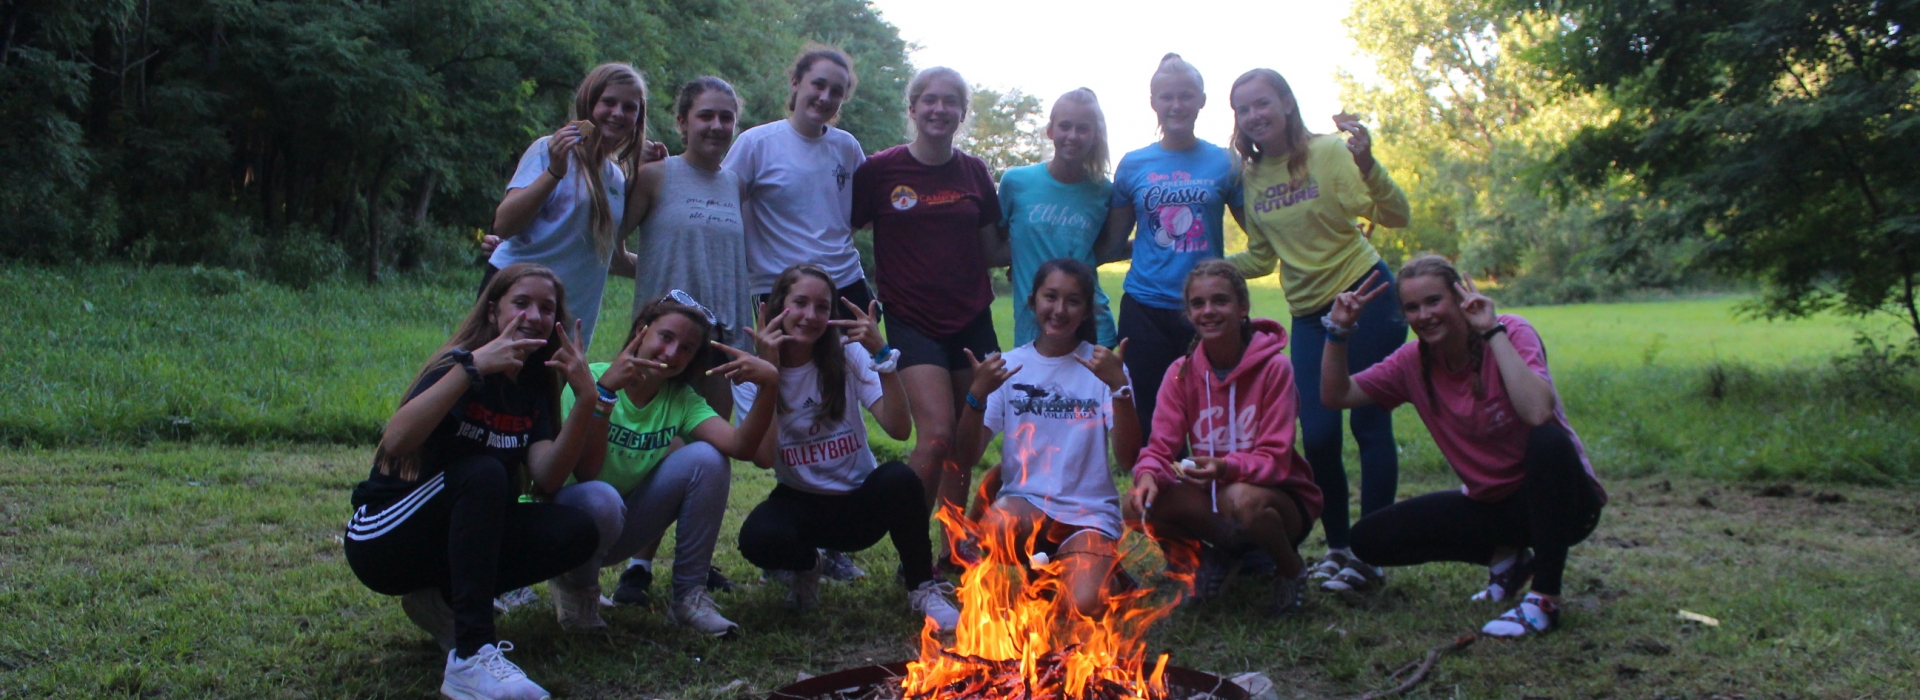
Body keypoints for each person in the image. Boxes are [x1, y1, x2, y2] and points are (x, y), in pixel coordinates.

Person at [343, 263, 601, 700]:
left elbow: (548, 475)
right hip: (382, 536)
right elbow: (397, 440)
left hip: (453, 534)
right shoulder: (457, 364)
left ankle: (442, 601)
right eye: (521, 303)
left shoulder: (534, 389)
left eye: (546, 307)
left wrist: (586, 400)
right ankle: (470, 655)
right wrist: (471, 368)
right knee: (483, 474)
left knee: (575, 530)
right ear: (493, 311)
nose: (534, 315)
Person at [1323, 256, 1606, 637]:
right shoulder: (1412, 362)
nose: (1424, 315)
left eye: (1434, 301)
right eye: (1412, 307)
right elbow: (1336, 395)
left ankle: (1544, 600)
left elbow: (1538, 412)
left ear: (1460, 299)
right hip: (1493, 506)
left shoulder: (1511, 332)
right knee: (1369, 540)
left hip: (1565, 504)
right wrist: (1338, 333)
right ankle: (1508, 558)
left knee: (1548, 441)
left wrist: (1492, 331)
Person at [1226, 68, 1413, 593]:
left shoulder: (1331, 153)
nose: (1253, 116)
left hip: (1365, 295)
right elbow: (1263, 256)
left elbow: (1396, 215)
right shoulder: (1252, 176)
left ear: (1286, 103)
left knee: (1369, 424)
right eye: (1242, 109)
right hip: (1309, 313)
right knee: (1321, 436)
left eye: (1262, 103)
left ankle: (1372, 556)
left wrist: (1369, 164)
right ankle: (1339, 545)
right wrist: (1202, 264)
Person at [534, 292, 781, 638]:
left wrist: (769, 382)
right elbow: (585, 472)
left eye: (687, 348)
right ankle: (577, 591)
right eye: (666, 337)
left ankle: (688, 598)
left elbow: (742, 447)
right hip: (564, 525)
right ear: (641, 331)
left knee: (708, 458)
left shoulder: (680, 400)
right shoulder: (589, 378)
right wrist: (604, 395)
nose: (671, 353)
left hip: (618, 523)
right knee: (601, 496)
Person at [733, 264, 962, 632]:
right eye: (800, 303)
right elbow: (762, 458)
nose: (810, 316)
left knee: (900, 477)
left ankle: (922, 588)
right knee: (758, 538)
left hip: (857, 503)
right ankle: (808, 567)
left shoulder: (845, 354)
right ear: (779, 306)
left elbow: (899, 429)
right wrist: (770, 377)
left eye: (822, 307)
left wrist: (883, 357)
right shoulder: (751, 372)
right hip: (799, 500)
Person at [850, 66, 1004, 560]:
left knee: (966, 441)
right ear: (912, 108)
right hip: (912, 320)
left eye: (950, 101)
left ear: (962, 113)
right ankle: (913, 552)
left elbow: (994, 249)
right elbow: (835, 231)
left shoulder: (974, 172)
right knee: (936, 436)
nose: (939, 109)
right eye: (929, 100)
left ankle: (953, 550)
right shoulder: (879, 171)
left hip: (972, 318)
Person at [1122, 260, 1322, 617]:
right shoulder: (1181, 372)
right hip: (1215, 501)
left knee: (1240, 498)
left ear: (1243, 307)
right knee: (1134, 505)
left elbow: (1275, 459)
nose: (1208, 311)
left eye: (1220, 301)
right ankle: (1208, 560)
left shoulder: (1275, 368)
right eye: (1198, 304)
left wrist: (1224, 466)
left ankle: (1291, 570)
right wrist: (1149, 475)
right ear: (1188, 312)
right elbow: (1159, 447)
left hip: (1276, 504)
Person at [951, 259, 1139, 617]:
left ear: (1086, 311)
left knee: (1084, 606)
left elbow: (1128, 459)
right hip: (1028, 504)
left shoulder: (1104, 367)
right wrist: (976, 396)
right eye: (1050, 297)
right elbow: (967, 455)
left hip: (1087, 514)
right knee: (993, 532)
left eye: (1073, 301)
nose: (1059, 310)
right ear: (1033, 300)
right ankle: (1049, 568)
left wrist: (1120, 388)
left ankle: (1100, 572)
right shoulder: (1008, 366)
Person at [1099, 53, 1245, 448]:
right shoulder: (1133, 165)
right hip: (1145, 306)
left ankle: (1209, 499)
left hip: (1206, 307)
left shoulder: (1226, 162)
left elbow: (1263, 229)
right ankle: (1157, 500)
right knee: (1150, 415)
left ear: (1201, 100)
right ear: (1153, 103)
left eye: (1185, 96)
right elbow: (1113, 242)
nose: (1176, 105)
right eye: (1167, 97)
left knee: (1210, 412)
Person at [484, 63, 665, 348]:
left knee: (548, 393)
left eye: (629, 107)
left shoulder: (616, 177)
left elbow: (612, 259)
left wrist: (674, 269)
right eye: (608, 102)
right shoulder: (549, 150)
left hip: (568, 319)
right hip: (518, 304)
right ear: (588, 103)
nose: (617, 113)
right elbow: (504, 224)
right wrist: (554, 172)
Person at [614, 76, 752, 419]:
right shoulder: (656, 175)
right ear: (682, 122)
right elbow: (603, 242)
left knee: (712, 446)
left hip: (721, 339)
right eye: (705, 116)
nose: (716, 126)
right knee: (648, 439)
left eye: (726, 118)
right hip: (663, 338)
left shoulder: (735, 184)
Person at [724, 44, 875, 316]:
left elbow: (864, 214)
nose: (825, 97)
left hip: (846, 282)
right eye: (818, 85)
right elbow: (721, 205)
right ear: (795, 83)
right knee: (788, 361)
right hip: (780, 287)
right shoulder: (757, 143)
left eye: (836, 92)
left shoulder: (847, 146)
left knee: (866, 360)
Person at [1000, 89, 1118, 348]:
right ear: (1051, 130)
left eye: (1083, 129)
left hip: (1093, 330)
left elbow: (1106, 248)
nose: (1072, 136)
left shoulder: (1104, 191)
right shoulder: (1016, 182)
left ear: (1095, 135)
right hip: (1034, 330)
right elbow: (997, 244)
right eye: (1065, 126)